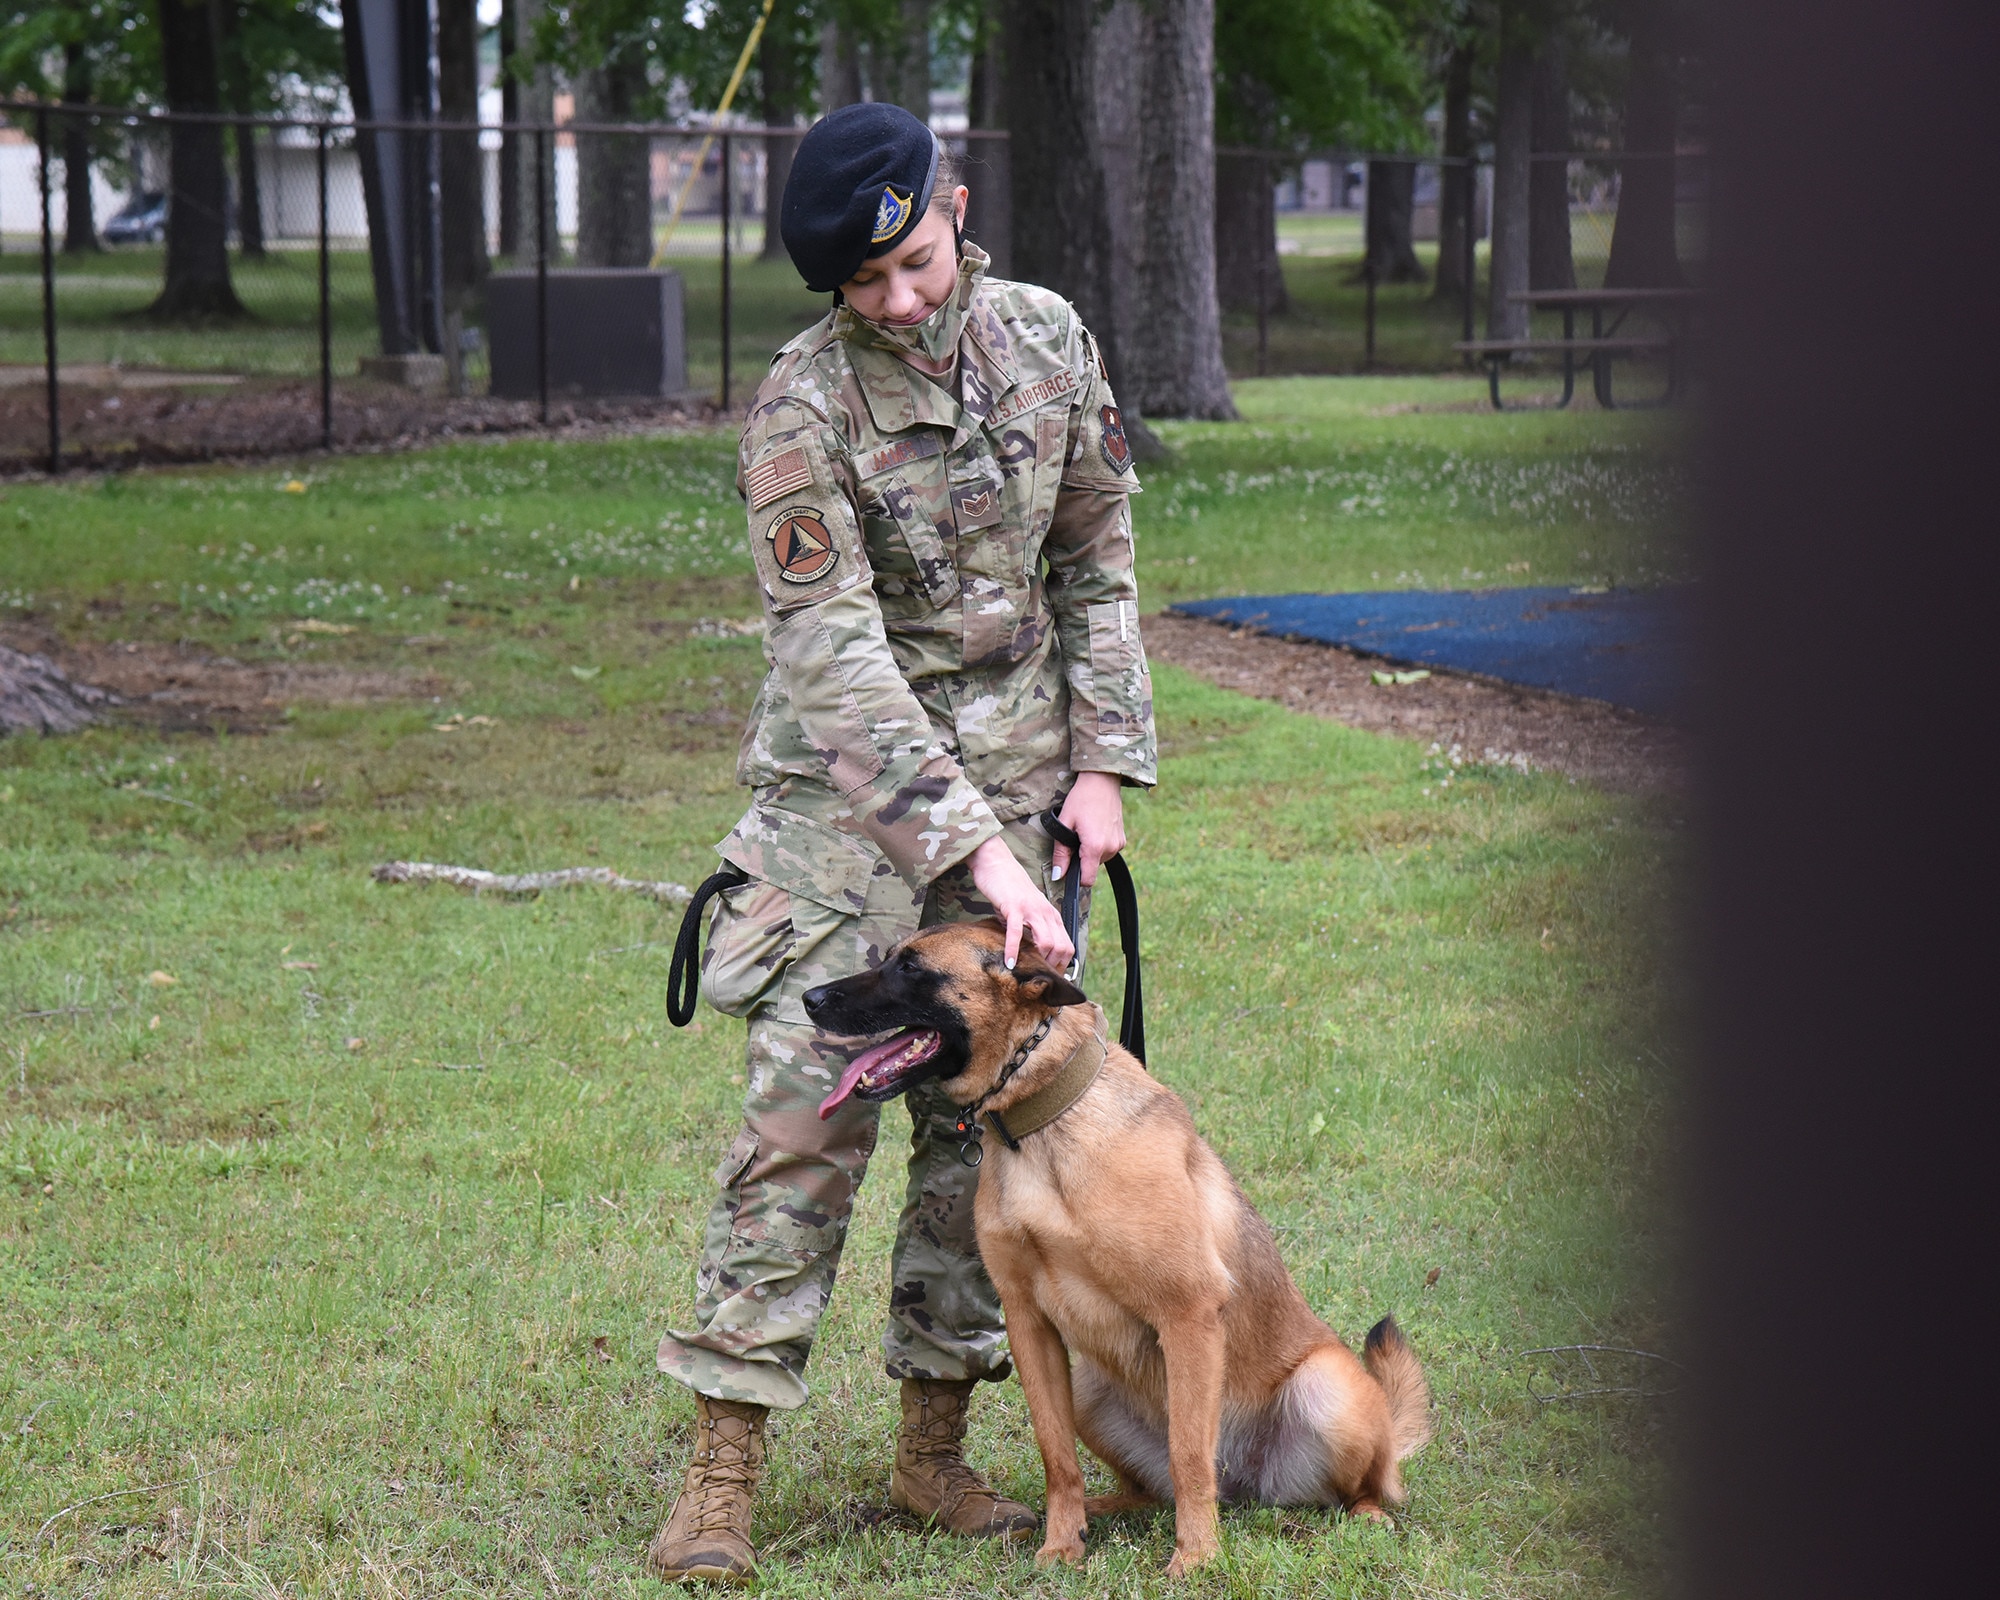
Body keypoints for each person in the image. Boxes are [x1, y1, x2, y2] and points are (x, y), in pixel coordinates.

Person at [648, 101, 1157, 1585]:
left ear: (955, 204)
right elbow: (835, 657)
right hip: (844, 830)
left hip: (1022, 812)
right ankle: (723, 1474)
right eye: (865, 287)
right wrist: (977, 850)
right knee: (801, 1141)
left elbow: (1098, 550)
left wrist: (1103, 768)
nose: (902, 301)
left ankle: (933, 1454)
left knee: (982, 1149)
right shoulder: (801, 412)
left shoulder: (1052, 339)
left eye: (918, 264)